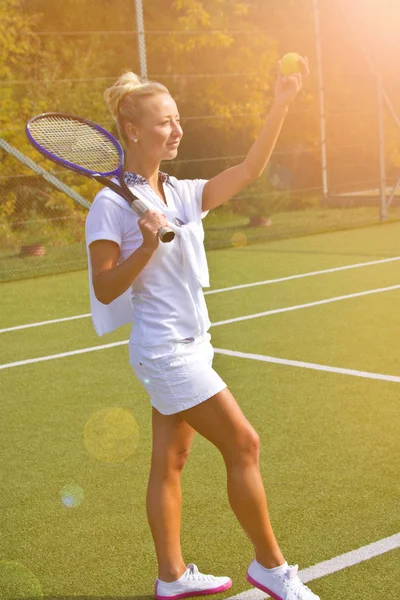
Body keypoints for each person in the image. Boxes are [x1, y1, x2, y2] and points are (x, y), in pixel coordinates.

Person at [85, 56, 320, 600]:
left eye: (177, 118)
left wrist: (281, 101)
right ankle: (272, 569)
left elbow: (249, 171)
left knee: (171, 460)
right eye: (165, 121)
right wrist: (145, 244)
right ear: (133, 131)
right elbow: (104, 288)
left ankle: (171, 578)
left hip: (194, 344)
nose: (176, 129)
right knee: (244, 444)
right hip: (165, 352)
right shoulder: (109, 206)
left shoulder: (181, 191)